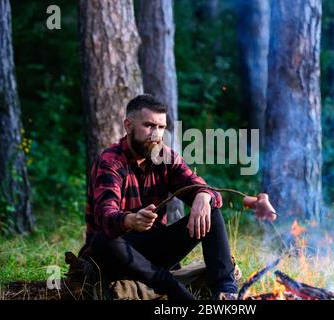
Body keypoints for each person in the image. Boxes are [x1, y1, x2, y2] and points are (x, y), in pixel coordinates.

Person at [78, 94, 238, 300]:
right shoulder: (111, 161)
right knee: (102, 240)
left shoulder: (166, 157)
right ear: (128, 125)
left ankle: (226, 291)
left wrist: (203, 196)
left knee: (211, 212)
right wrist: (130, 220)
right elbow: (105, 216)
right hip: (115, 258)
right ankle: (177, 292)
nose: (156, 134)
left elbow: (207, 190)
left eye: (161, 127)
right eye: (149, 126)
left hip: (153, 255)